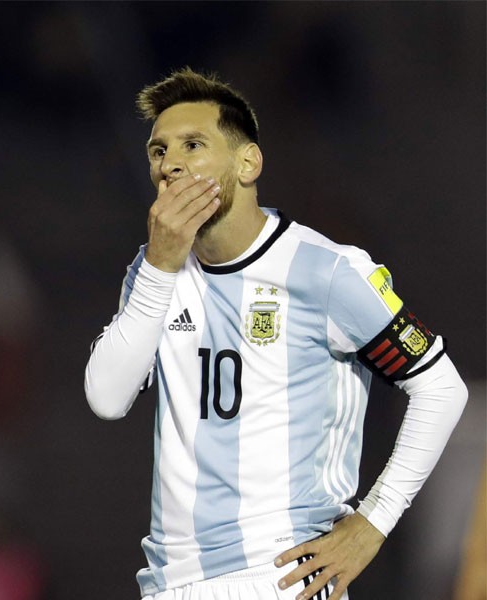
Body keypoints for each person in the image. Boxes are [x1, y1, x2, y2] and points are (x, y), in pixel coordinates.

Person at [84, 66, 468, 600]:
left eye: (193, 145)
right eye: (158, 151)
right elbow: (106, 398)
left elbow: (442, 387)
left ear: (248, 163)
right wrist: (159, 267)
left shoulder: (326, 271)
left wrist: (373, 523)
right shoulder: (154, 274)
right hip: (172, 583)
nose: (169, 165)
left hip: (282, 575)